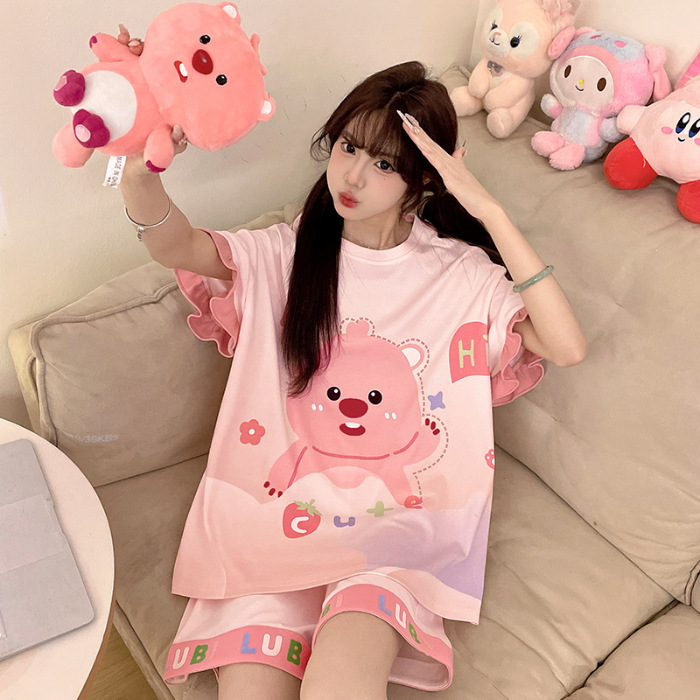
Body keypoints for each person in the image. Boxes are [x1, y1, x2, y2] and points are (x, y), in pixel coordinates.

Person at [117, 32, 586, 699]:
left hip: (393, 537)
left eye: (384, 163)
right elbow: (179, 247)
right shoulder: (287, 255)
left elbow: (565, 345)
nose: (354, 176)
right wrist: (140, 171)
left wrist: (488, 209)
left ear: (425, 178)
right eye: (347, 148)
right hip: (268, 525)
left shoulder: (461, 277)